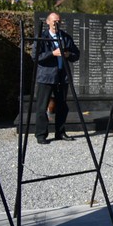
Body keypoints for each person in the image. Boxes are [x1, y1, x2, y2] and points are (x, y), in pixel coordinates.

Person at [34, 12, 81, 144]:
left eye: (59, 21)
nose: (56, 23)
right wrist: (52, 53)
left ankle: (60, 132)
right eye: (54, 21)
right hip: (46, 77)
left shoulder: (65, 37)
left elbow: (76, 54)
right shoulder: (42, 37)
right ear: (48, 22)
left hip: (62, 76)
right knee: (42, 107)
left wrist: (68, 54)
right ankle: (41, 135)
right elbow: (35, 56)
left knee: (62, 106)